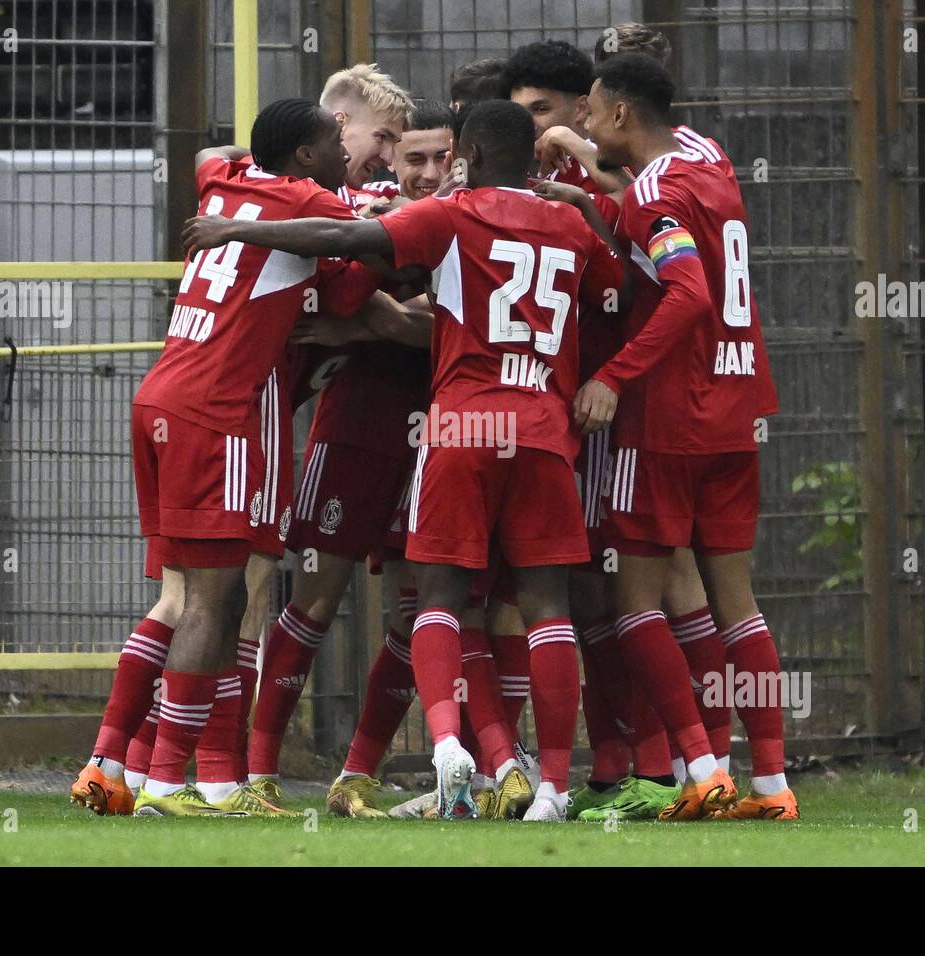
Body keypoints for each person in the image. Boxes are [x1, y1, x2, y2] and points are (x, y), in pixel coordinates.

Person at [183, 99, 622, 822]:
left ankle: (452, 751)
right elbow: (619, 289)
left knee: (437, 601)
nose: (426, 169)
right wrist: (590, 205)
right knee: (541, 608)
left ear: (466, 156)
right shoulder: (569, 224)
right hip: (532, 426)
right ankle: (551, 786)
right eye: (409, 155)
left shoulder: (447, 215)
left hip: (459, 426)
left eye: (439, 157)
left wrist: (241, 229)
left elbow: (347, 243)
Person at [125, 98, 381, 816]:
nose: (345, 149)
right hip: (217, 411)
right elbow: (359, 262)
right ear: (306, 156)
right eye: (337, 139)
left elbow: (212, 160)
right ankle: (165, 781)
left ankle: (205, 779)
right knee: (212, 600)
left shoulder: (226, 181)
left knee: (221, 595)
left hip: (162, 395)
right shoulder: (308, 201)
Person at [576, 54, 796, 820]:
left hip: (668, 420)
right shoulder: (709, 159)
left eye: (592, 113)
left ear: (623, 117)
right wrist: (582, 169)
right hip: (738, 410)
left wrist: (615, 376)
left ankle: (701, 768)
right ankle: (771, 784)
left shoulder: (649, 195)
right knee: (739, 604)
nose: (585, 123)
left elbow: (687, 291)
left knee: (634, 602)